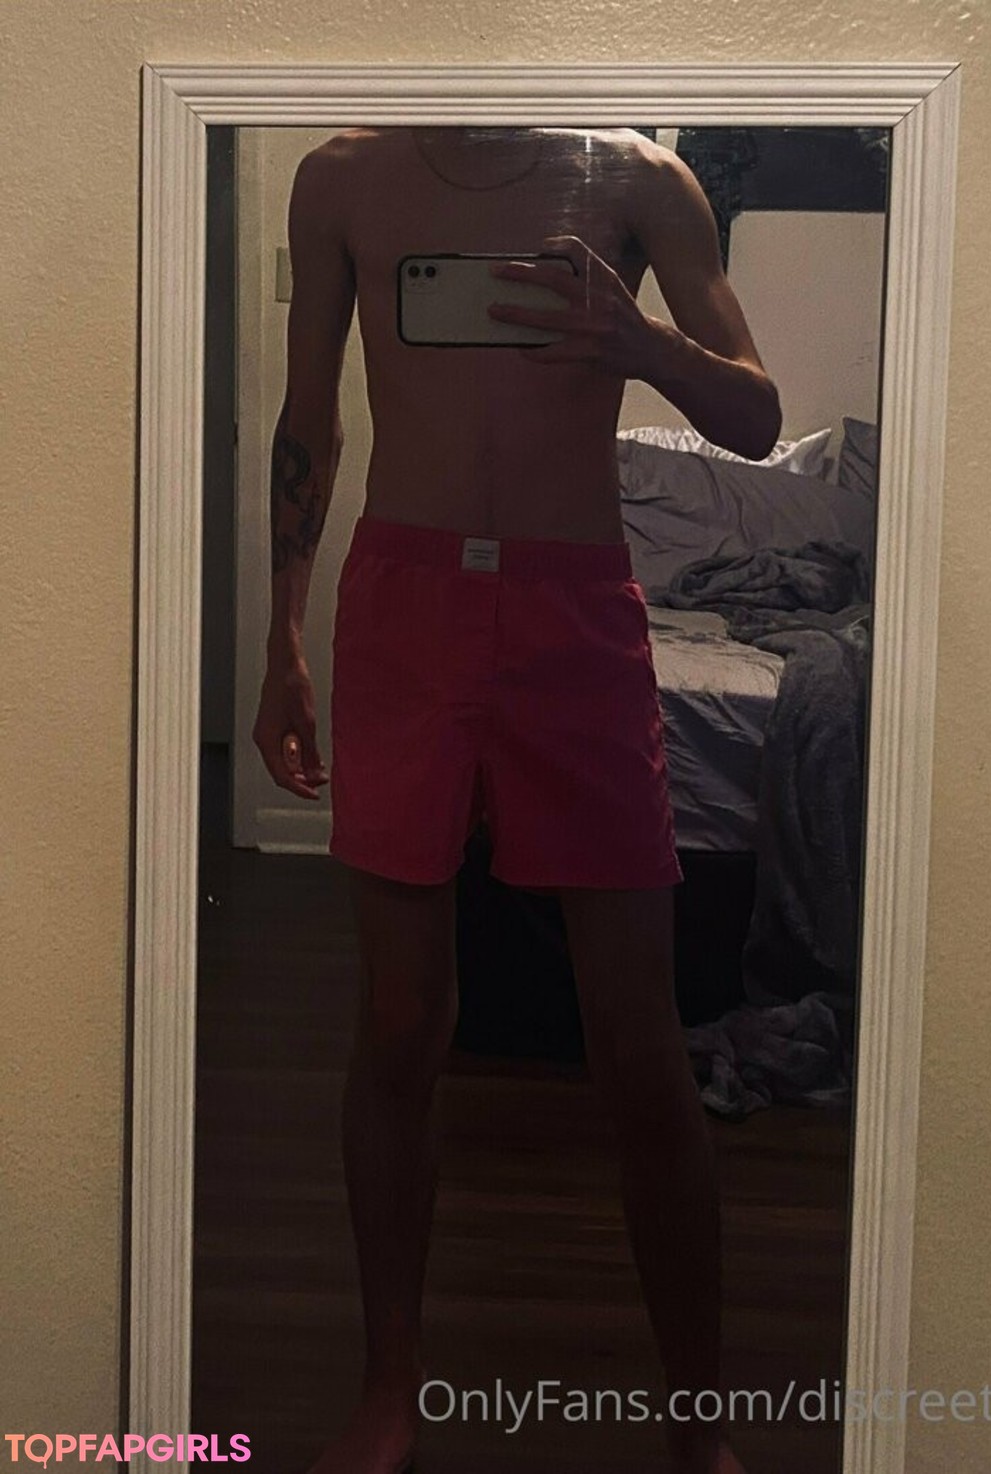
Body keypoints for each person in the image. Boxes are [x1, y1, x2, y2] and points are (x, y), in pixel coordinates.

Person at [253, 125, 781, 1474]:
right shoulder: (341, 179)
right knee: (398, 1021)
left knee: (640, 1038)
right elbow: (310, 418)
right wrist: (283, 637)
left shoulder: (640, 179)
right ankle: (388, 1390)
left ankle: (699, 1427)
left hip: (574, 609)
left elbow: (758, 417)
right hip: (406, 604)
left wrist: (638, 341)